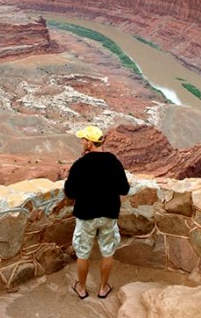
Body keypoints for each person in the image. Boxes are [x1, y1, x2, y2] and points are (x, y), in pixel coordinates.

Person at [64, 125, 130, 300]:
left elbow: (69, 192)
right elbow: (124, 189)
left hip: (86, 216)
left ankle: (82, 288)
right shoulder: (113, 161)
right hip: (109, 214)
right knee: (107, 252)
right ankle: (103, 288)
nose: (81, 142)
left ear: (90, 143)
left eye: (83, 140)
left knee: (83, 254)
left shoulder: (80, 164)